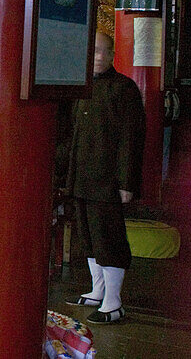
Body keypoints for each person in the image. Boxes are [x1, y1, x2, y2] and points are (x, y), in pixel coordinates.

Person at [65, 31, 146, 324]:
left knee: (108, 237)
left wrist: (127, 183)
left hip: (107, 180)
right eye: (92, 51)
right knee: (88, 237)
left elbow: (131, 140)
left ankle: (114, 302)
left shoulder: (124, 89)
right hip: (82, 177)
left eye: (103, 52)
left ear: (112, 55)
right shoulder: (81, 87)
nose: (97, 57)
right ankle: (97, 291)